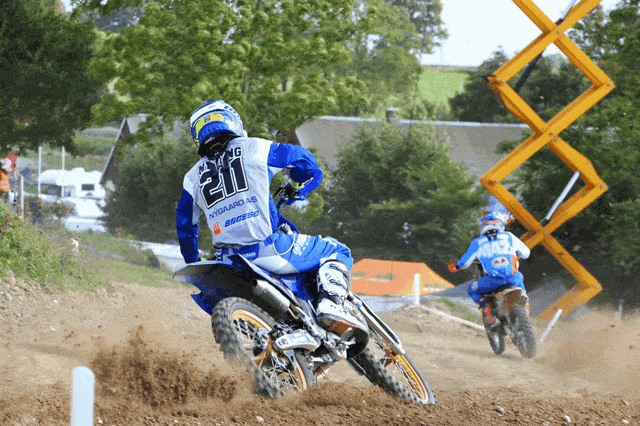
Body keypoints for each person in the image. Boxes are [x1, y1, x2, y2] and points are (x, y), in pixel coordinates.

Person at [176, 100, 366, 334]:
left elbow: (185, 226)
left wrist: (193, 260)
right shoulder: (255, 147)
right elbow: (305, 161)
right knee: (336, 250)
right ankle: (331, 304)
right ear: (232, 120)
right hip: (268, 249)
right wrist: (298, 183)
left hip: (227, 260)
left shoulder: (191, 178)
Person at [448, 213, 530, 330]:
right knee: (519, 278)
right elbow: (526, 253)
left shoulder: (477, 242)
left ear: (482, 227)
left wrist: (456, 267)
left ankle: (491, 318)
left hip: (494, 280)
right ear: (499, 225)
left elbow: (465, 263)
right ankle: (525, 307)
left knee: (473, 290)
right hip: (514, 277)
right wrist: (516, 253)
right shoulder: (509, 236)